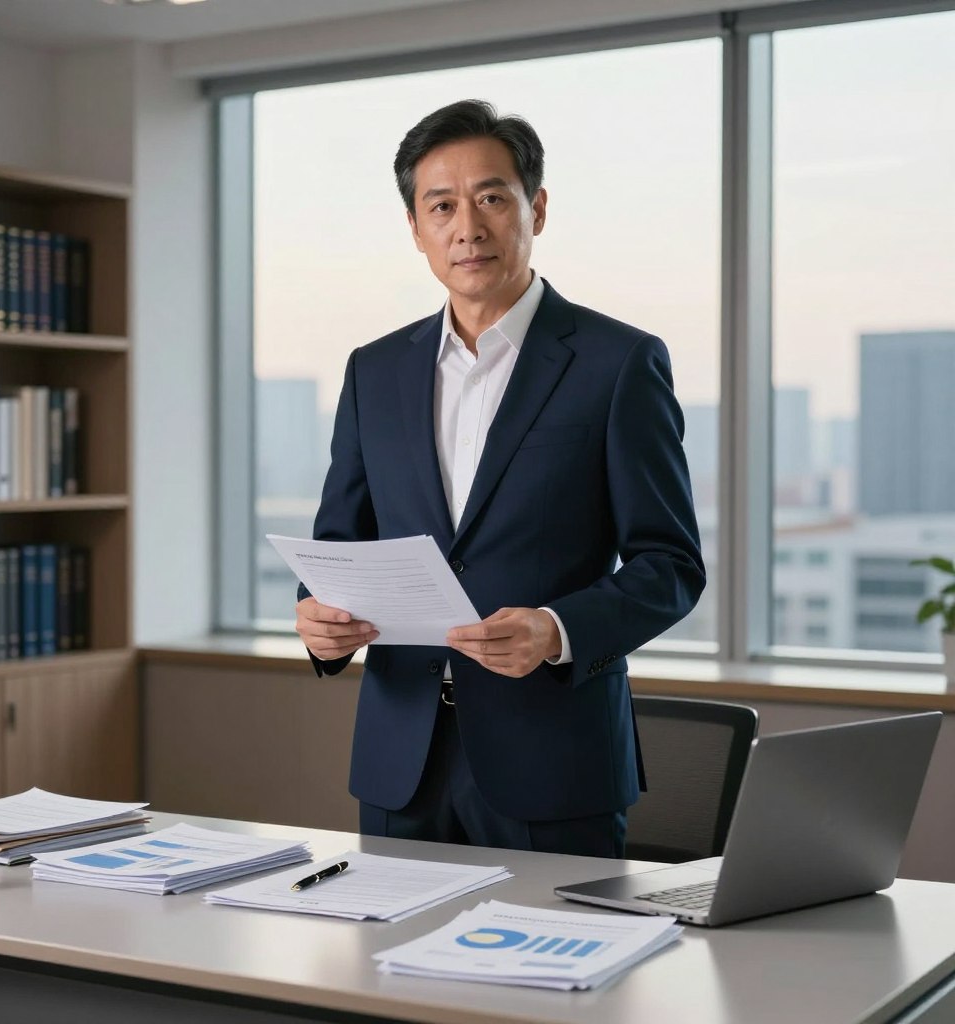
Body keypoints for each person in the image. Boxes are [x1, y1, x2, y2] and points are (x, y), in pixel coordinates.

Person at [295, 99, 704, 858]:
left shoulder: (619, 364)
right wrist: (320, 623)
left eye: (490, 198)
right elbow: (340, 546)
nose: (467, 227)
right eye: (440, 205)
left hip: (555, 765)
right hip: (400, 764)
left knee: (555, 973)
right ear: (415, 229)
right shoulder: (373, 371)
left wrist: (557, 631)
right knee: (383, 979)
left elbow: (671, 566)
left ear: (535, 208)